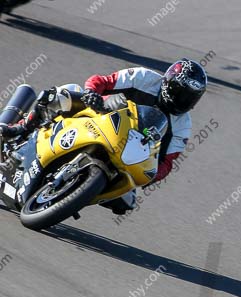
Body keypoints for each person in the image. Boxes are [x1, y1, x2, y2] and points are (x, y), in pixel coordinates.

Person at [0, 59, 207, 214]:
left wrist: (152, 174)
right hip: (100, 116)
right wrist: (92, 93)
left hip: (127, 156)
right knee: (66, 92)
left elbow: (167, 163)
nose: (184, 100)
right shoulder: (144, 78)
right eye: (181, 92)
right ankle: (21, 128)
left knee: (127, 202)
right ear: (169, 83)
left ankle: (72, 193)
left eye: (191, 97)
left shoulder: (183, 125)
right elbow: (102, 81)